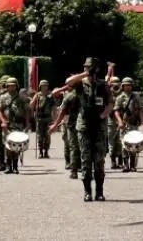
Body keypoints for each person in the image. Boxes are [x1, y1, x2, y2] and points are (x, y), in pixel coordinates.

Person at [50, 57, 113, 202]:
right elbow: (67, 82)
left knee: (99, 161)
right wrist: (84, 74)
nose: (88, 69)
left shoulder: (103, 85)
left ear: (96, 69)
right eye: (86, 67)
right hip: (84, 125)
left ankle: (99, 191)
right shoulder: (79, 84)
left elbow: (110, 103)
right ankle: (87, 192)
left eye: (90, 67)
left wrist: (104, 114)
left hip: (99, 126)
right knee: (85, 160)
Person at [0, 77, 31, 174]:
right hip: (7, 124)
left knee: (17, 146)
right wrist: (3, 121)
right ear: (6, 87)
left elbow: (27, 111)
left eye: (13, 85)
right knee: (8, 146)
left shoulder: (21, 98)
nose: (12, 87)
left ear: (16, 86)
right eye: (10, 85)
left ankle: (15, 166)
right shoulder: (3, 97)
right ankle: (9, 166)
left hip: (18, 124)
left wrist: (28, 123)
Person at [114, 77, 143, 172]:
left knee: (134, 144)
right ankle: (125, 164)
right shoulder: (120, 97)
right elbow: (116, 111)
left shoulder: (136, 97)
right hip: (124, 123)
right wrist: (119, 121)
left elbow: (140, 109)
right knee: (124, 144)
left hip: (134, 124)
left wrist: (142, 120)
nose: (128, 87)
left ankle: (132, 164)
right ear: (123, 86)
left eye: (130, 85)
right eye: (126, 85)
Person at [53, 84, 80, 179]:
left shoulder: (84, 95)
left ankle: (76, 169)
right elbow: (62, 111)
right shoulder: (68, 96)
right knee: (71, 145)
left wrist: (55, 125)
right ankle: (72, 165)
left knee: (76, 147)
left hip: (78, 124)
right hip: (71, 124)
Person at [30, 80, 55, 159]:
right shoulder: (37, 95)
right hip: (39, 118)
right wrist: (34, 110)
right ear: (40, 87)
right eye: (43, 86)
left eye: (46, 86)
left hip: (47, 118)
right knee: (40, 136)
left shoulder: (50, 96)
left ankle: (46, 152)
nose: (45, 87)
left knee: (47, 136)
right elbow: (31, 105)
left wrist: (54, 119)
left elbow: (54, 107)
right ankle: (40, 152)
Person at [106, 75, 123, 169]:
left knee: (120, 141)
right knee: (111, 142)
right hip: (111, 120)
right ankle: (113, 161)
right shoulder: (108, 94)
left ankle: (120, 160)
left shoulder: (123, 93)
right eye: (113, 83)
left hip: (121, 120)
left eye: (117, 83)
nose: (115, 85)